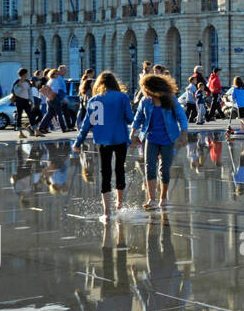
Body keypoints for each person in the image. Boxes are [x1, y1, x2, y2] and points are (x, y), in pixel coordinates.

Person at [71, 71, 136, 221]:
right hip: (120, 138)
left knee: (105, 172)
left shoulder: (94, 100)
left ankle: (106, 212)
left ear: (99, 84)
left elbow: (86, 124)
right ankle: (120, 204)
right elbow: (130, 118)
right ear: (115, 83)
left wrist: (77, 143)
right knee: (120, 169)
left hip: (102, 140)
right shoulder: (123, 97)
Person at [131, 73, 189, 210]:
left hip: (168, 138)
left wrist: (184, 134)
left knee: (164, 169)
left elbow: (182, 117)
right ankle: (151, 199)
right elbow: (138, 118)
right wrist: (132, 134)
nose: (145, 92)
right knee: (149, 167)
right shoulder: (145, 101)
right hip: (150, 138)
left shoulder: (170, 100)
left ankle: (163, 198)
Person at [10, 67, 36, 136]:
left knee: (30, 115)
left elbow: (30, 92)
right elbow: (16, 93)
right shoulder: (17, 82)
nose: (27, 74)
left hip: (26, 100)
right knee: (19, 116)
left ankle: (36, 130)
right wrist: (21, 87)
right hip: (19, 100)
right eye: (26, 73)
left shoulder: (27, 82)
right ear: (23, 74)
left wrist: (32, 101)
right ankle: (20, 132)